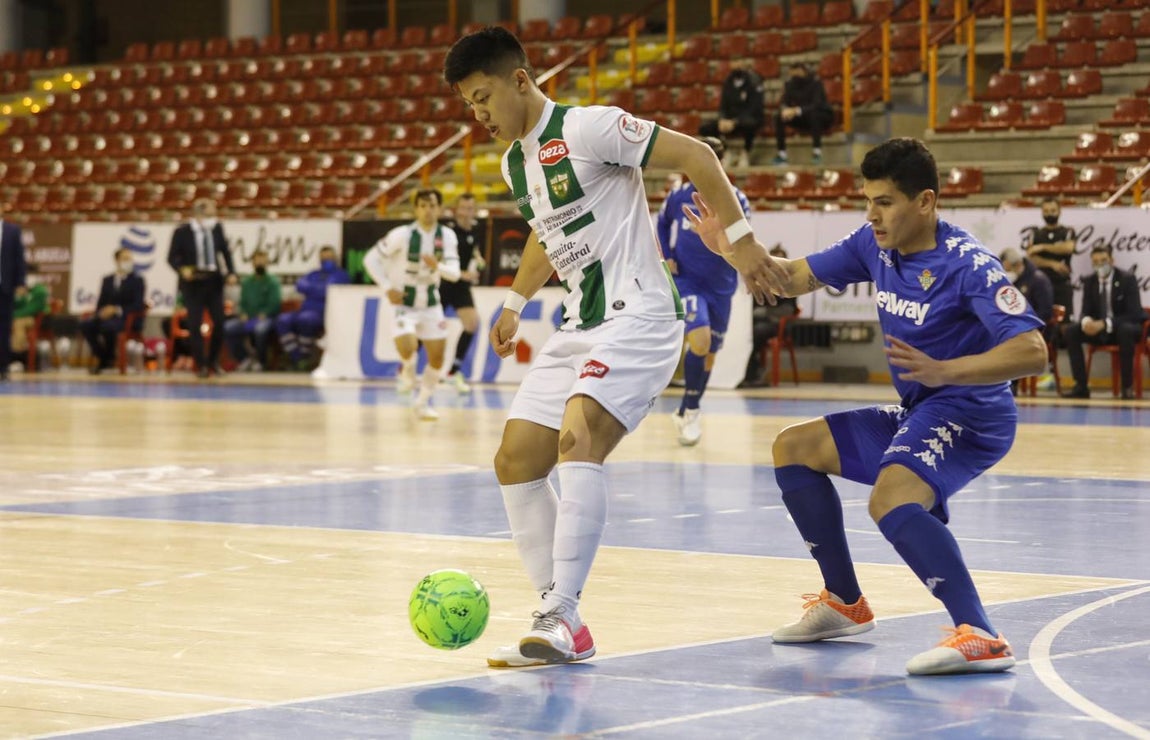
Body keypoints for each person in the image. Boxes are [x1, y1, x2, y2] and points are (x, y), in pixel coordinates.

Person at [443, 26, 785, 668]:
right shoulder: (515, 163)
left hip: (641, 316)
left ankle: (561, 614)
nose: (478, 114)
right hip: (580, 324)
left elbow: (698, 156)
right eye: (469, 105)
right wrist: (514, 302)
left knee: (578, 439)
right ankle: (560, 618)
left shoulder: (590, 127)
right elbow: (547, 232)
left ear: (520, 80)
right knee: (515, 461)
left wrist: (741, 244)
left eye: (483, 97)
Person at [687, 137, 1047, 675]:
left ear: (925, 202)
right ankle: (845, 604)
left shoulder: (968, 264)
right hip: (922, 408)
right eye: (867, 201)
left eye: (884, 202)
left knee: (890, 499)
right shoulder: (872, 245)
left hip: (973, 415)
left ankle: (982, 634)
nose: (872, 215)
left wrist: (946, 371)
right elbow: (791, 278)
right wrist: (730, 250)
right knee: (794, 447)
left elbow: (1032, 351)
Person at [657, 135, 752, 445]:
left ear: (719, 164)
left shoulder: (736, 199)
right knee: (700, 340)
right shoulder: (678, 196)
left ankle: (688, 408)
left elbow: (744, 239)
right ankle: (691, 411)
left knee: (709, 354)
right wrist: (667, 255)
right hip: (687, 280)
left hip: (721, 286)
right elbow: (661, 223)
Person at [363, 188, 461, 420]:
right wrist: (387, 287)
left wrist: (438, 266)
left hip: (431, 304)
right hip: (404, 303)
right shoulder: (402, 235)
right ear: (416, 209)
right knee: (409, 347)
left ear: (439, 209)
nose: (428, 210)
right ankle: (407, 369)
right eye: (423, 206)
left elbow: (455, 274)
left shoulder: (447, 236)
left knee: (437, 358)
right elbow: (370, 259)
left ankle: (422, 402)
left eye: (432, 205)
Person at [1061, 245, 1144, 400]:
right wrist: (1087, 322)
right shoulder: (1090, 281)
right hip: (1098, 331)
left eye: (1103, 260)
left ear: (1112, 260)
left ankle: (1127, 387)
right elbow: (1085, 311)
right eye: (1096, 261)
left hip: (1121, 329)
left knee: (1126, 330)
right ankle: (1081, 386)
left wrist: (1105, 323)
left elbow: (1135, 314)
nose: (1100, 264)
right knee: (1072, 330)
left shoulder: (1127, 279)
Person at [167, 198, 235, 378]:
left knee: (219, 322)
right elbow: (172, 258)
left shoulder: (216, 228)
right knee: (194, 323)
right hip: (193, 283)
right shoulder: (182, 232)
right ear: (199, 213)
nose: (213, 217)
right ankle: (201, 364)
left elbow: (225, 252)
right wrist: (182, 270)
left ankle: (213, 361)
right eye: (210, 213)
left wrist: (231, 272)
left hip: (213, 281)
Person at [275, 246, 350, 370]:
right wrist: (318, 288)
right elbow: (300, 285)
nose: (326, 260)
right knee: (283, 319)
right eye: (323, 258)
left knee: (306, 319)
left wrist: (312, 288)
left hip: (324, 313)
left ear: (335, 258)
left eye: (329, 257)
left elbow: (327, 290)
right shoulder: (313, 274)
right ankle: (297, 357)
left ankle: (303, 357)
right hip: (304, 310)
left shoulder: (341, 275)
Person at [443, 192, 487, 393]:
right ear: (456, 210)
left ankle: (453, 372)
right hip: (444, 283)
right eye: (463, 208)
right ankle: (405, 368)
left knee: (472, 324)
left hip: (461, 286)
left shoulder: (476, 230)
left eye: (470, 208)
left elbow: (474, 250)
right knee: (427, 326)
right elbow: (439, 261)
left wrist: (478, 260)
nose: (466, 212)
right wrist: (462, 274)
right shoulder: (448, 232)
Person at [739, 245, 800, 388]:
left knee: (756, 332)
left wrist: (765, 312)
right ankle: (740, 373)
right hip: (757, 322)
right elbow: (751, 306)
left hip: (777, 325)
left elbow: (788, 310)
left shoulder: (790, 282)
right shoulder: (760, 281)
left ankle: (752, 374)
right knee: (743, 333)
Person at [79, 248, 147, 375]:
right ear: (117, 261)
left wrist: (116, 309)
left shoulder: (137, 280)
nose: (129, 261)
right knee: (86, 325)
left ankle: (106, 360)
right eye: (125, 259)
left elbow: (138, 305)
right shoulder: (108, 280)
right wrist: (102, 312)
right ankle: (104, 357)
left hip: (126, 318)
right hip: (106, 317)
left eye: (130, 259)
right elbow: (101, 303)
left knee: (108, 327)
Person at [698, 58, 765, 170]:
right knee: (705, 128)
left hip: (747, 117)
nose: (736, 67)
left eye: (738, 63)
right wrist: (722, 119)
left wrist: (735, 122)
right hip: (729, 119)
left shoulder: (754, 81)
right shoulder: (728, 82)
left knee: (750, 124)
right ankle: (726, 151)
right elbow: (723, 105)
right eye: (733, 64)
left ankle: (745, 153)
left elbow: (754, 108)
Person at [224, 249, 282, 372]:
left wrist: (265, 313)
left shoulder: (273, 281)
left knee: (260, 329)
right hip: (248, 318)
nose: (259, 263)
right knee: (228, 328)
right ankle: (244, 358)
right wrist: (243, 313)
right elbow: (243, 302)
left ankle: (261, 361)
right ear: (252, 263)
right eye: (257, 261)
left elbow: (275, 303)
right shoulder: (247, 282)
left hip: (267, 318)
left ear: (267, 263)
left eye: (262, 261)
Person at [1024, 198, 1075, 323]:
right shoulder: (1035, 234)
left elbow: (1068, 248)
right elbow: (1030, 256)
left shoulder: (1067, 232)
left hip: (1062, 283)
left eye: (1053, 210)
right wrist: (1052, 264)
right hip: (1040, 284)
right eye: (1046, 211)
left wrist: (1042, 247)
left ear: (1059, 211)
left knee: (1064, 323)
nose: (1049, 214)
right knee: (1041, 320)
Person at [773, 61, 834, 165]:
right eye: (792, 74)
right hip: (802, 117)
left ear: (803, 71)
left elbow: (816, 104)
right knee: (779, 116)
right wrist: (785, 110)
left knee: (815, 115)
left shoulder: (816, 83)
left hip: (821, 116)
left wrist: (797, 110)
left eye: (797, 73)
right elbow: (784, 102)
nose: (794, 76)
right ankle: (781, 154)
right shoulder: (790, 84)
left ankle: (817, 152)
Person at [0, 202, 28, 381]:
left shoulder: (12, 231)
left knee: (4, 328)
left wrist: (21, 283)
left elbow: (19, 258)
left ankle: (3, 366)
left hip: (5, 286)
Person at [10, 267, 49, 369]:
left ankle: (17, 355)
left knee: (18, 323)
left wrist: (11, 315)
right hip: (21, 317)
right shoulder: (23, 289)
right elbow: (17, 306)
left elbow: (32, 309)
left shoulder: (40, 290)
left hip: (35, 319)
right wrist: (18, 297)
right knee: (10, 323)